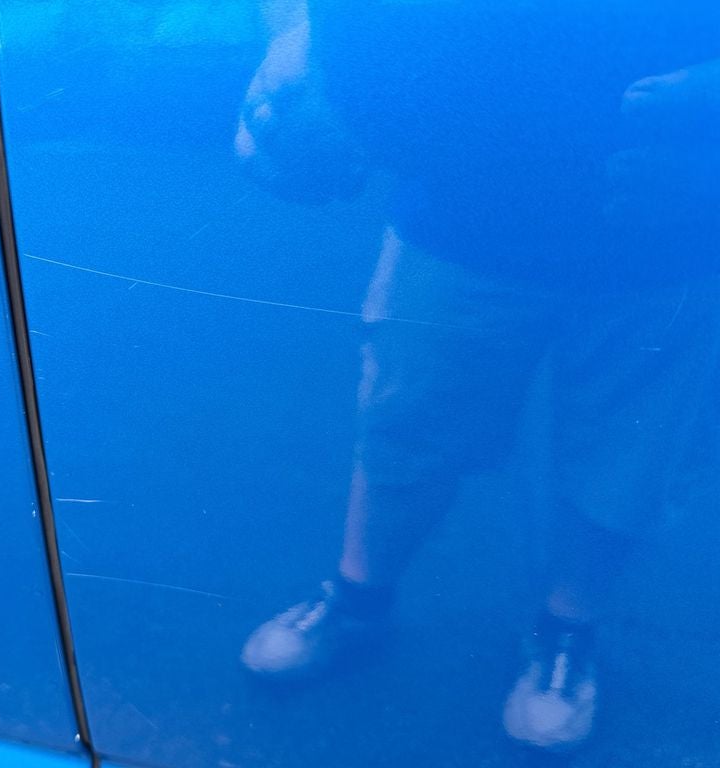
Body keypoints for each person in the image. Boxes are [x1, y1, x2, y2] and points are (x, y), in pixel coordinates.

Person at [236, 0, 720, 753]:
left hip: (673, 227)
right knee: (405, 422)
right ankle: (357, 602)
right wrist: (300, 32)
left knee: (633, 453)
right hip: (461, 208)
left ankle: (567, 633)